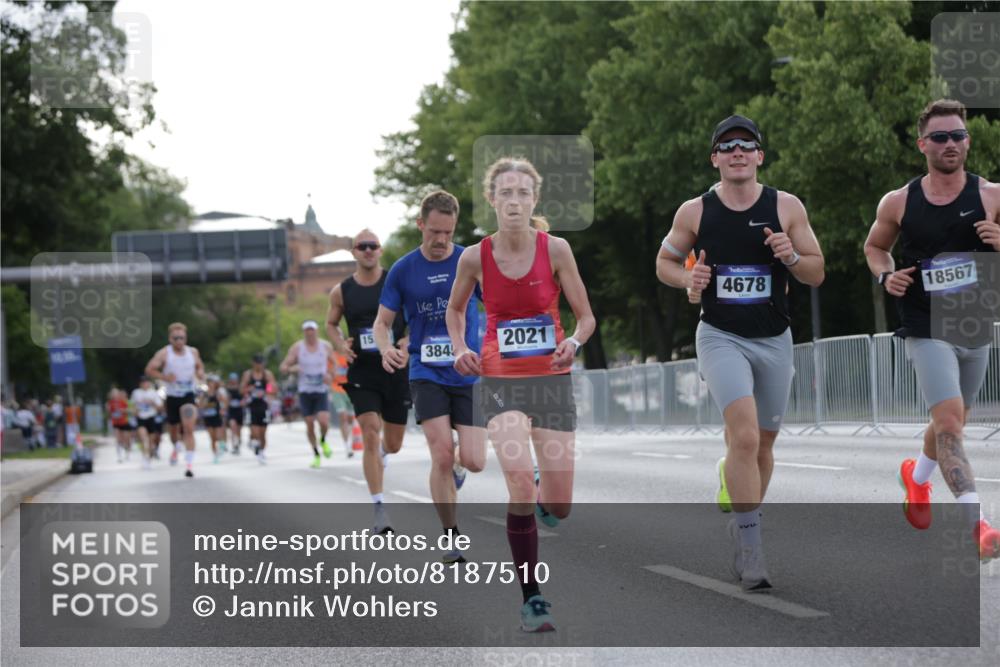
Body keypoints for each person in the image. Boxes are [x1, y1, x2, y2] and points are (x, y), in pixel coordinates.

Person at [656, 115, 825, 591]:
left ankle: (742, 512)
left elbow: (816, 272)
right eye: (726, 146)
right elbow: (664, 262)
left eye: (746, 145)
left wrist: (790, 256)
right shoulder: (696, 212)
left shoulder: (786, 207)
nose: (737, 152)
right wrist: (688, 278)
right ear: (715, 158)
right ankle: (751, 549)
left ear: (759, 156)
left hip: (774, 338)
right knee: (745, 437)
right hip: (720, 335)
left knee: (764, 445)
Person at [447, 157, 595, 632]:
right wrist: (460, 348)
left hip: (550, 380)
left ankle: (542, 498)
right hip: (499, 380)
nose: (513, 201)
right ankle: (532, 598)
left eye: (522, 194)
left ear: (534, 200)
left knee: (560, 505)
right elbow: (454, 311)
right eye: (504, 193)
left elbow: (586, 317)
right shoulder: (474, 257)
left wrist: (572, 342)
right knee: (518, 486)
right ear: (492, 200)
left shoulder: (557, 250)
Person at [864, 99, 1000, 561]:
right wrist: (886, 276)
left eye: (958, 135)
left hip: (975, 321)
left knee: (953, 421)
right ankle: (978, 524)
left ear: (968, 141)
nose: (950, 144)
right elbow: (875, 247)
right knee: (948, 422)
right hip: (925, 323)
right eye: (940, 137)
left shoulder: (992, 196)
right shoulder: (900, 201)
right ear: (922, 144)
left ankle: (916, 478)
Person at [374, 190, 487, 563]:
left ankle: (459, 468)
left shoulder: (470, 259)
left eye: (448, 233)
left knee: (473, 460)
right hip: (426, 370)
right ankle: (451, 537)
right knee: (440, 453)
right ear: (420, 225)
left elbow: (498, 305)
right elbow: (382, 323)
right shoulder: (404, 269)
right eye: (434, 232)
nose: (441, 241)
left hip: (468, 370)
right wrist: (387, 347)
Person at [326, 229, 411, 534]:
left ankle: (384, 457)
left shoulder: (396, 281)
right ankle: (379, 509)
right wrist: (339, 345)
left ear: (380, 249)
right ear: (353, 252)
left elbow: (414, 316)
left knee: (394, 443)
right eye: (362, 246)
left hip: (395, 370)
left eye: (372, 246)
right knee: (371, 433)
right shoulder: (342, 291)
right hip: (362, 371)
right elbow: (331, 324)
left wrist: (406, 341)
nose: (367, 250)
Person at [145, 322, 206, 478]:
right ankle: (177, 445)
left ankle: (189, 464)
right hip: (172, 396)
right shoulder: (164, 354)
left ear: (186, 338)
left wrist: (200, 374)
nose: (179, 341)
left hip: (188, 395)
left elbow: (200, 366)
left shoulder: (193, 352)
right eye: (176, 338)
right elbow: (150, 369)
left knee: (188, 428)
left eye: (182, 338)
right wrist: (165, 377)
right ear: (170, 339)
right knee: (173, 432)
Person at [280, 320, 336, 468]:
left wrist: (330, 375)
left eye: (312, 330)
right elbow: (284, 366)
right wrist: (293, 368)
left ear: (316, 331)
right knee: (310, 424)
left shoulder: (325, 346)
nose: (310, 333)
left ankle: (323, 440)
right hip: (305, 391)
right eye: (307, 330)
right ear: (304, 332)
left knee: (324, 421)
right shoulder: (298, 348)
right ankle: (316, 454)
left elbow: (334, 363)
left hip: (321, 389)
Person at [240, 354, 277, 464]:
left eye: (261, 363)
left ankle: (261, 452)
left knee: (263, 432)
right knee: (254, 431)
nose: (259, 365)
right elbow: (241, 390)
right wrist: (248, 389)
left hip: (263, 406)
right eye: (257, 363)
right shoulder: (248, 375)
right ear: (253, 363)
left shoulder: (267, 374)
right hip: (252, 406)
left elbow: (273, 388)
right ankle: (254, 441)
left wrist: (267, 391)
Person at [328, 351, 355, 457]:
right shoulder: (332, 356)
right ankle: (347, 446)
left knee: (350, 418)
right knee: (342, 417)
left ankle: (352, 440)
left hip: (350, 389)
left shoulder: (350, 354)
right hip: (337, 389)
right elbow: (328, 373)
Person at [131, 376, 163, 469]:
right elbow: (132, 405)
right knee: (143, 438)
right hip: (141, 418)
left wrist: (152, 403)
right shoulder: (136, 393)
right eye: (143, 382)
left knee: (150, 441)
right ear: (140, 384)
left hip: (151, 418)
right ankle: (145, 457)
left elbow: (160, 407)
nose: (144, 384)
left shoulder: (153, 393)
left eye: (146, 382)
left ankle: (148, 457)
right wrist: (134, 411)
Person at [199, 374, 229, 464]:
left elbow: (225, 401)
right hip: (208, 417)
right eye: (209, 382)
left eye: (212, 382)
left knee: (218, 435)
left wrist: (223, 409)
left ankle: (222, 444)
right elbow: (200, 405)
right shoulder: (204, 394)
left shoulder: (218, 393)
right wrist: (205, 402)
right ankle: (215, 455)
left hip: (216, 416)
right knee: (212, 438)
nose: (211, 384)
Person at [106, 388, 131, 462]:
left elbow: (129, 410)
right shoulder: (110, 403)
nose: (115, 395)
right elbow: (109, 413)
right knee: (118, 439)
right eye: (113, 394)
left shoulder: (123, 401)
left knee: (126, 438)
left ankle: (127, 452)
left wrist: (123, 410)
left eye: (116, 393)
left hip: (124, 422)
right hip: (115, 423)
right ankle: (119, 456)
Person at [225, 372, 245, 455]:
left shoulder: (240, 388)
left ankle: (238, 442)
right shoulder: (227, 389)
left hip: (239, 411)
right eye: (232, 379)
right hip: (231, 411)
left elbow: (245, 398)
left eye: (234, 379)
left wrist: (242, 403)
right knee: (233, 427)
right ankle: (234, 445)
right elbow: (224, 399)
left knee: (239, 430)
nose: (233, 381)